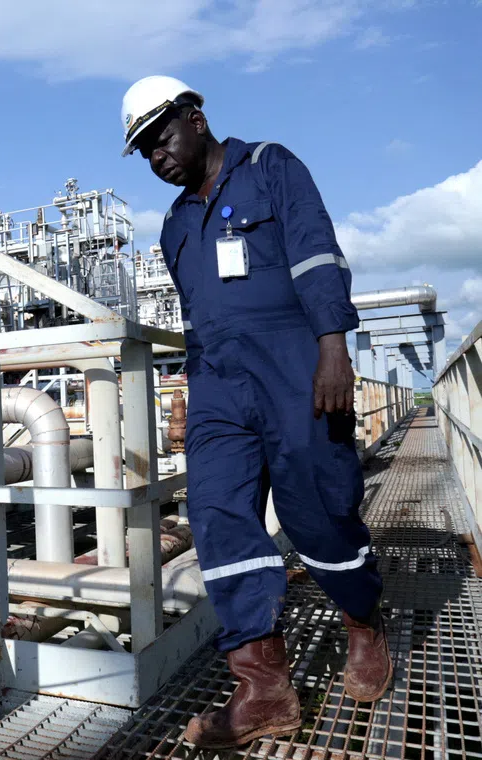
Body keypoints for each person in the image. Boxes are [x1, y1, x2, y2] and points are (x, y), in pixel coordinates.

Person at [119, 76, 393, 749]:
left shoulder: (271, 166)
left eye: (163, 136)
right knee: (217, 516)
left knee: (318, 506)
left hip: (294, 365)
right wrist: (187, 391)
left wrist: (334, 348)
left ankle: (362, 621)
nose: (158, 155)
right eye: (145, 149)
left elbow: (317, 254)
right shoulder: (176, 223)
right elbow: (196, 318)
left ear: (196, 116)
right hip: (216, 383)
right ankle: (263, 686)